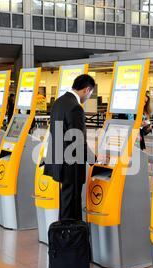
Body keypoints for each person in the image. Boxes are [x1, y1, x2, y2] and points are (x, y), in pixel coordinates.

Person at [44, 74, 96, 221]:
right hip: (71, 165)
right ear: (87, 89)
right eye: (90, 93)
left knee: (66, 203)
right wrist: (96, 160)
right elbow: (78, 141)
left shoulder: (59, 102)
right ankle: (69, 239)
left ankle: (65, 237)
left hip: (59, 163)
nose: (89, 96)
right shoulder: (75, 108)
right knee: (71, 207)